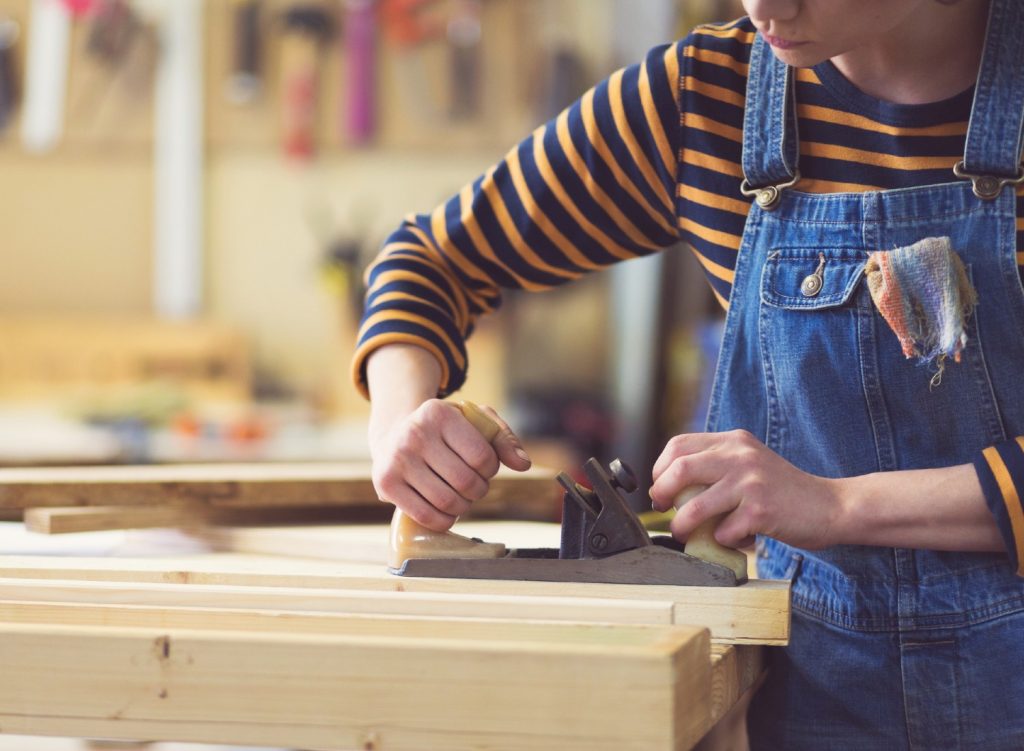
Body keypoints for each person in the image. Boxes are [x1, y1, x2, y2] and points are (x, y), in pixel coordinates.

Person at [353, 0, 1024, 747]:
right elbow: (428, 261)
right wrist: (401, 426)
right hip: (814, 702)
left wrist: (835, 506)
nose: (766, 6)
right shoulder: (708, 97)